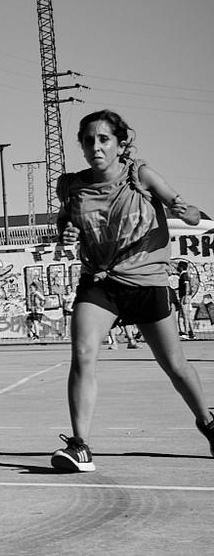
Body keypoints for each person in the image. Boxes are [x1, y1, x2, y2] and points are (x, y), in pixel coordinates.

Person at [48, 109, 213, 472]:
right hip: (100, 280)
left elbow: (183, 207)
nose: (95, 146)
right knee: (84, 352)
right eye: (88, 140)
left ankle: (208, 422)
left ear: (121, 144)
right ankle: (80, 446)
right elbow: (64, 226)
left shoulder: (139, 175)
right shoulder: (72, 186)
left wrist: (187, 213)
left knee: (175, 365)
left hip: (146, 280)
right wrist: (67, 234)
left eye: (104, 139)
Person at [177, 261, 197, 340]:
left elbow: (187, 286)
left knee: (184, 315)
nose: (177, 268)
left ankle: (186, 333)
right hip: (187, 296)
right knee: (188, 316)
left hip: (185, 296)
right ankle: (192, 333)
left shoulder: (184, 275)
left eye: (178, 266)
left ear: (181, 267)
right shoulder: (185, 275)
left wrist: (185, 296)